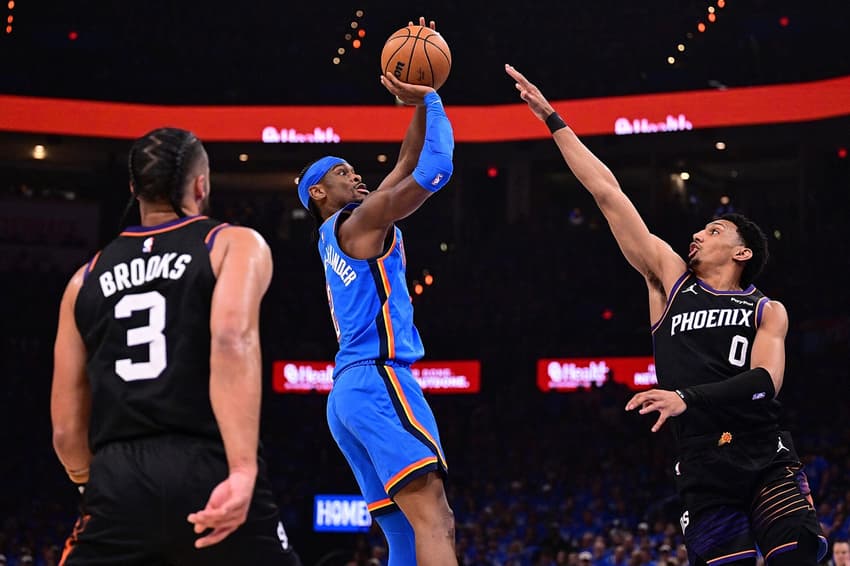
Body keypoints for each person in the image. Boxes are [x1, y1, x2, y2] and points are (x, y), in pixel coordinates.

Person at [505, 64, 827, 566]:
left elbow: (765, 381)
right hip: (700, 463)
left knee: (797, 557)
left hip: (764, 453)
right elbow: (608, 193)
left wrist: (685, 397)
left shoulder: (767, 309)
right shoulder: (670, 281)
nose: (698, 234)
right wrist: (552, 118)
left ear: (742, 254)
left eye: (715, 230)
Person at [50, 127, 301, 565]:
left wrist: (96, 485)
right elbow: (231, 338)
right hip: (210, 462)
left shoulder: (82, 279)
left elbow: (66, 431)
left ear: (134, 189)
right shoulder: (232, 244)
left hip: (117, 478)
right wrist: (242, 469)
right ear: (201, 185)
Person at [295, 18, 456, 566]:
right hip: (378, 377)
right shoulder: (359, 223)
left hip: (348, 394)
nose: (356, 175)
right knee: (435, 515)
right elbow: (435, 169)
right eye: (343, 172)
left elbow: (405, 162)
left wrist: (411, 102)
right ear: (319, 191)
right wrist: (433, 99)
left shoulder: (338, 232)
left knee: (407, 537)